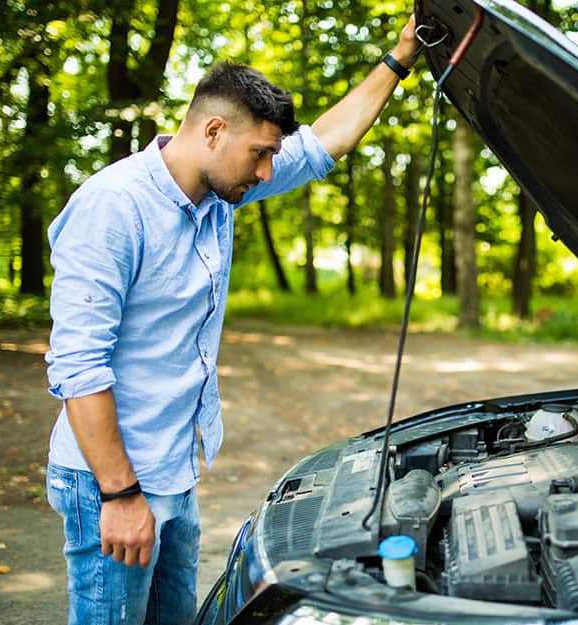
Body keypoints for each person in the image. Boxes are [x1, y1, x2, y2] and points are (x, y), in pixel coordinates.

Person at [44, 17, 420, 625]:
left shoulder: (218, 194)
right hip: (111, 483)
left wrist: (400, 58)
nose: (269, 171)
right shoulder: (113, 208)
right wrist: (119, 496)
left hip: (173, 471)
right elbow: (78, 367)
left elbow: (328, 141)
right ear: (214, 131)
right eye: (261, 154)